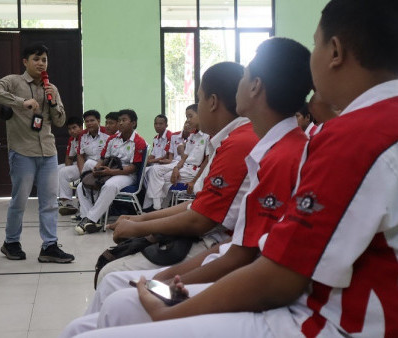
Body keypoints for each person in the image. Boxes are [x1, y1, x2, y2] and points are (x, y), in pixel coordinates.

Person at [67, 0, 398, 336]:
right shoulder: (365, 129)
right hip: (309, 301)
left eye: (317, 43)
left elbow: (274, 275)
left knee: (110, 310)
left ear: (336, 51)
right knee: (117, 305)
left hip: (318, 319)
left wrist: (170, 301)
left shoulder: (353, 137)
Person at [62, 36, 313, 336]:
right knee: (93, 316)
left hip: (249, 281)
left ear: (254, 87)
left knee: (113, 294)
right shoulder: (265, 147)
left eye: (245, 77)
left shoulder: (270, 151)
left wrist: (165, 286)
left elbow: (240, 252)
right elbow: (237, 244)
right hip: (227, 257)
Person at [99, 62, 259, 284]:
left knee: (111, 276)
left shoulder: (239, 142)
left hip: (218, 241)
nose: (196, 111)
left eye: (199, 99)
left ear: (212, 102)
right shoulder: (229, 139)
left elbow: (200, 220)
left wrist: (138, 227)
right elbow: (199, 205)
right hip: (209, 229)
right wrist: (140, 219)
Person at [0, 43, 75, 263]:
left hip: (47, 150)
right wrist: (21, 102)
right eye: (36, 59)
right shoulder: (14, 81)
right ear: (25, 62)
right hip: (22, 151)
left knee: (49, 202)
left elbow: (60, 121)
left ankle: (50, 246)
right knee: (20, 201)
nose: (41, 63)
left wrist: (53, 102)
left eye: (44, 59)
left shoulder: (50, 87)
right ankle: (11, 242)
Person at [74, 109, 147, 235]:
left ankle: (91, 218)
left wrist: (110, 172)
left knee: (110, 185)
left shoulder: (139, 142)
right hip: (109, 170)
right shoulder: (112, 139)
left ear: (133, 123)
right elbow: (102, 159)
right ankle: (90, 220)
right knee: (82, 185)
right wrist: (97, 169)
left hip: (127, 174)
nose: (121, 123)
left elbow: (133, 168)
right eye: (119, 121)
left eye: (124, 120)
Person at [145, 105, 208, 210]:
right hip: (185, 167)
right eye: (186, 117)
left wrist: (194, 181)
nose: (188, 120)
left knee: (164, 178)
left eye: (190, 116)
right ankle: (160, 209)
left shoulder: (207, 135)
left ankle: (158, 208)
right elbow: (184, 157)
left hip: (196, 171)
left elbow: (207, 161)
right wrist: (176, 168)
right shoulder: (192, 135)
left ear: (200, 115)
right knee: (159, 174)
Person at [59, 111, 110, 216]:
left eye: (92, 120)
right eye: (87, 121)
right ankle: (67, 203)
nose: (89, 123)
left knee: (90, 164)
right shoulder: (82, 135)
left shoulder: (107, 133)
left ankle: (81, 184)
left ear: (99, 121)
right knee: (63, 171)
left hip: (103, 166)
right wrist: (83, 173)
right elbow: (79, 155)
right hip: (85, 167)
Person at [57, 116, 83, 215]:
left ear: (81, 127)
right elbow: (69, 158)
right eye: (69, 129)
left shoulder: (85, 136)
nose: (71, 131)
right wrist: (69, 172)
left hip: (88, 165)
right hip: (79, 164)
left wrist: (68, 173)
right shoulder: (72, 139)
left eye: (74, 128)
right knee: (58, 169)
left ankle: (66, 201)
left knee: (63, 172)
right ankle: (64, 200)